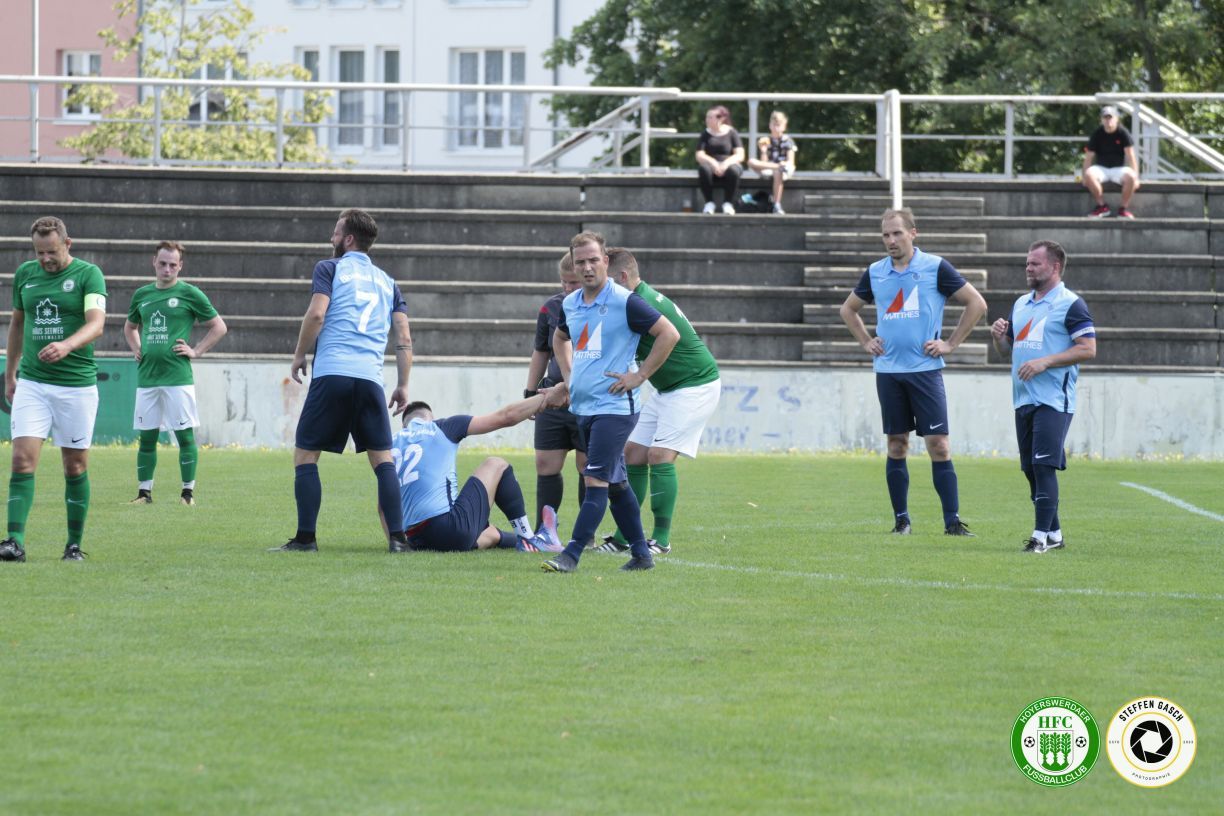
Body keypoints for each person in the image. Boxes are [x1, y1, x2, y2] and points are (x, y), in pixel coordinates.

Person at [838, 208, 987, 537]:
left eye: (897, 233)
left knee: (939, 445)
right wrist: (866, 341)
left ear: (913, 233)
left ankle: (952, 522)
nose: (891, 240)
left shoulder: (935, 267)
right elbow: (848, 309)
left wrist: (950, 343)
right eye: (885, 235)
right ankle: (902, 521)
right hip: (889, 373)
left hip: (925, 372)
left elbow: (977, 303)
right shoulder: (875, 272)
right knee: (896, 445)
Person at [273, 208, 414, 553]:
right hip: (370, 379)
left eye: (336, 232)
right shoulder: (388, 282)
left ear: (348, 239)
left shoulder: (329, 268)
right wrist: (403, 384)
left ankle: (306, 538)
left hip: (333, 372)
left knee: (306, 455)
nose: (332, 238)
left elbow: (317, 314)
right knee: (383, 460)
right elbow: (404, 337)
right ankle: (398, 539)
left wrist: (299, 354)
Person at [539, 232, 680, 573]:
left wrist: (639, 375)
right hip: (584, 407)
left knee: (596, 480)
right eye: (580, 262)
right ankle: (642, 555)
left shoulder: (625, 301)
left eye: (593, 260)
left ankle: (571, 554)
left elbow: (669, 334)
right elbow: (560, 338)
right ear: (573, 266)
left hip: (615, 409)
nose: (587, 267)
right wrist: (569, 378)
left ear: (605, 261)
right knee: (616, 484)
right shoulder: (571, 304)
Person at [594, 247, 721, 556]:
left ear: (623, 276)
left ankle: (661, 540)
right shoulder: (632, 301)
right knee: (633, 453)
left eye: (607, 280)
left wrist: (639, 376)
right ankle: (625, 536)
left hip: (694, 385)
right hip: (668, 389)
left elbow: (669, 336)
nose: (602, 287)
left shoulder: (640, 303)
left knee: (660, 454)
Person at [0, 217, 107, 562]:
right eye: (39, 252)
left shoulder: (89, 275)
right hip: (33, 383)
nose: (45, 259)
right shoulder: (25, 275)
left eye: (52, 251)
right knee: (21, 459)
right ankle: (14, 541)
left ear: (67, 244)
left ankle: (73, 545)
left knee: (74, 466)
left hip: (76, 386)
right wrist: (10, 373)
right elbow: (18, 323)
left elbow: (97, 324)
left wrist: (66, 345)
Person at [991, 241, 1096, 553]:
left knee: (1043, 466)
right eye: (1027, 263)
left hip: (1053, 400)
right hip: (1023, 398)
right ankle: (1055, 534)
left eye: (1035, 263)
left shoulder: (1071, 304)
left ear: (1055, 267)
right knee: (1029, 468)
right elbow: (1007, 351)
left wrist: (1045, 362)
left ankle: (1039, 538)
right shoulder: (1021, 304)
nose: (1028, 268)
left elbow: (1088, 348)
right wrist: (998, 338)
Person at [123, 241, 228, 506]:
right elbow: (130, 327)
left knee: (184, 436)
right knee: (147, 438)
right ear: (154, 263)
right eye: (162, 263)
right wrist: (137, 348)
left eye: (172, 264)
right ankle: (144, 494)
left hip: (177, 377)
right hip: (148, 377)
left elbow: (219, 326)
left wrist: (197, 351)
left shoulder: (190, 293)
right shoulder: (142, 295)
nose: (167, 269)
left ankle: (187, 494)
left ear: (180, 266)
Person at [389, 397, 563, 553]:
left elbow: (383, 505)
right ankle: (528, 539)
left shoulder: (390, 444)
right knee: (496, 464)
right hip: (448, 528)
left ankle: (536, 542)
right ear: (430, 418)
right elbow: (506, 416)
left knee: (491, 534)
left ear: (405, 425)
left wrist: (397, 541)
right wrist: (546, 397)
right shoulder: (440, 427)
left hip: (415, 538)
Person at [525, 251, 589, 537]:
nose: (567, 288)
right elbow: (541, 351)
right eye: (564, 282)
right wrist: (530, 393)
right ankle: (545, 530)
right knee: (545, 463)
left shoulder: (601, 308)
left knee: (587, 466)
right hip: (552, 397)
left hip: (587, 399)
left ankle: (585, 534)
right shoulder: (550, 307)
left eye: (573, 283)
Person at [1082, 105, 1140, 219]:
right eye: (1105, 118)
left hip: (1119, 169)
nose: (1108, 121)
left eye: (1110, 117)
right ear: (1101, 120)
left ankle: (1123, 209)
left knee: (1131, 177)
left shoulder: (1123, 132)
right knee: (1089, 174)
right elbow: (1088, 157)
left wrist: (1136, 178)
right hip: (1101, 168)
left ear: (1116, 119)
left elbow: (1131, 156)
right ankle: (1102, 206)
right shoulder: (1097, 134)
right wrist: (1084, 177)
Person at [695, 105, 745, 215]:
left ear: (721, 119)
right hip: (712, 166)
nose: (707, 120)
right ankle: (709, 203)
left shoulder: (732, 132)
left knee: (733, 171)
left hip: (729, 164)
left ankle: (728, 203)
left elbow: (740, 155)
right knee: (703, 169)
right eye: (707, 117)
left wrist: (725, 164)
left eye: (710, 117)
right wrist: (713, 163)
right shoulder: (705, 134)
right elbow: (699, 154)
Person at [747, 110, 797, 214]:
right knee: (751, 161)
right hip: (771, 167)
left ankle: (777, 204)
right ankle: (776, 167)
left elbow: (791, 162)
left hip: (784, 169)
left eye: (778, 125)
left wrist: (783, 165)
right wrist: (763, 151)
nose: (776, 128)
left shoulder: (788, 141)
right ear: (770, 125)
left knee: (778, 171)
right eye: (774, 125)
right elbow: (763, 163)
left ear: (784, 127)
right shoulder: (766, 140)